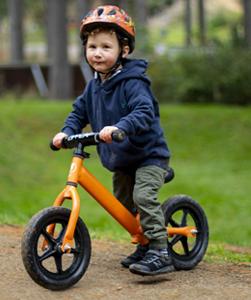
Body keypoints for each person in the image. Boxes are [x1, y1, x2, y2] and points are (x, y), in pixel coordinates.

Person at [52, 5, 173, 276]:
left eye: (106, 47)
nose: (97, 53)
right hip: (121, 159)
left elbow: (144, 112)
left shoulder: (134, 83)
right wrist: (65, 132)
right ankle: (144, 242)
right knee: (122, 203)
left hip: (148, 155)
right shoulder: (93, 86)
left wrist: (120, 126)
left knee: (142, 196)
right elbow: (78, 112)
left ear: (124, 51)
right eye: (92, 46)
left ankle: (160, 250)